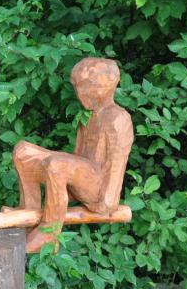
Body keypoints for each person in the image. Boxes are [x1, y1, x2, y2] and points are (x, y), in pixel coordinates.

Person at [11, 57, 133, 253]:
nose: (80, 93)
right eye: (77, 86)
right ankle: (29, 210)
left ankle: (49, 234)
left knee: (57, 164)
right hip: (82, 177)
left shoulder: (118, 118)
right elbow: (77, 158)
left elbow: (116, 164)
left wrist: (107, 202)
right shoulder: (87, 116)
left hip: (99, 188)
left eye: (86, 86)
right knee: (23, 151)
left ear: (106, 85)